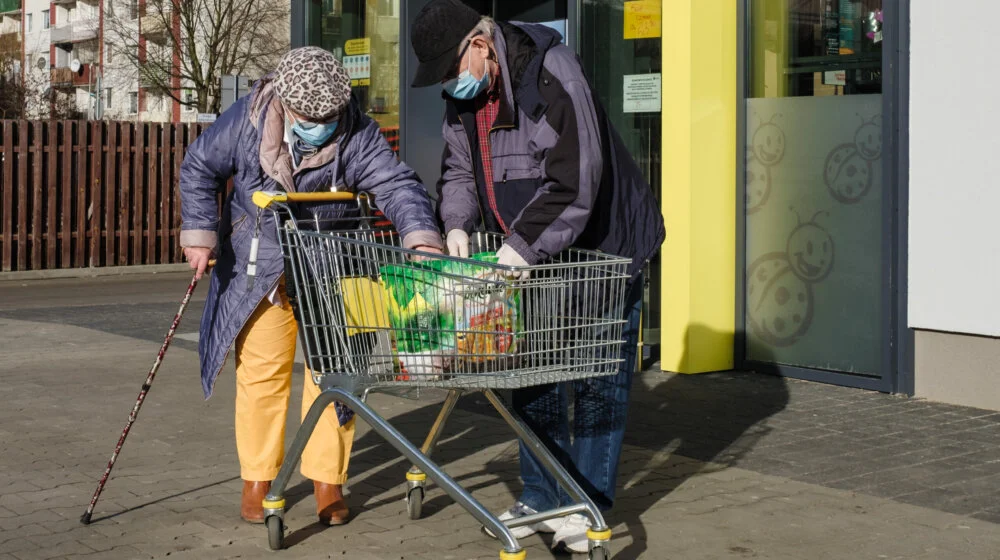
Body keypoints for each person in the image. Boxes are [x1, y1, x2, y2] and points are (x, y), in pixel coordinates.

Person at [410, 0, 665, 553]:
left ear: (479, 47)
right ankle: (543, 498)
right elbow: (458, 171)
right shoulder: (466, 101)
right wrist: (455, 224)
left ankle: (587, 504)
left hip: (605, 248)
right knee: (532, 371)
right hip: (539, 258)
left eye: (452, 73)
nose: (451, 88)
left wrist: (516, 253)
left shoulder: (551, 74)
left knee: (598, 380)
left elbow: (575, 184)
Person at [179, 47, 443, 526]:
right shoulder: (248, 118)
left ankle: (327, 480)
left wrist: (421, 237)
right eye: (307, 116)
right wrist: (199, 235)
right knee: (261, 373)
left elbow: (397, 185)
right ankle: (257, 478)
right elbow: (199, 166)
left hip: (331, 265)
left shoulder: (357, 133)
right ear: (284, 100)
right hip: (260, 265)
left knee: (337, 372)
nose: (317, 124)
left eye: (327, 117)